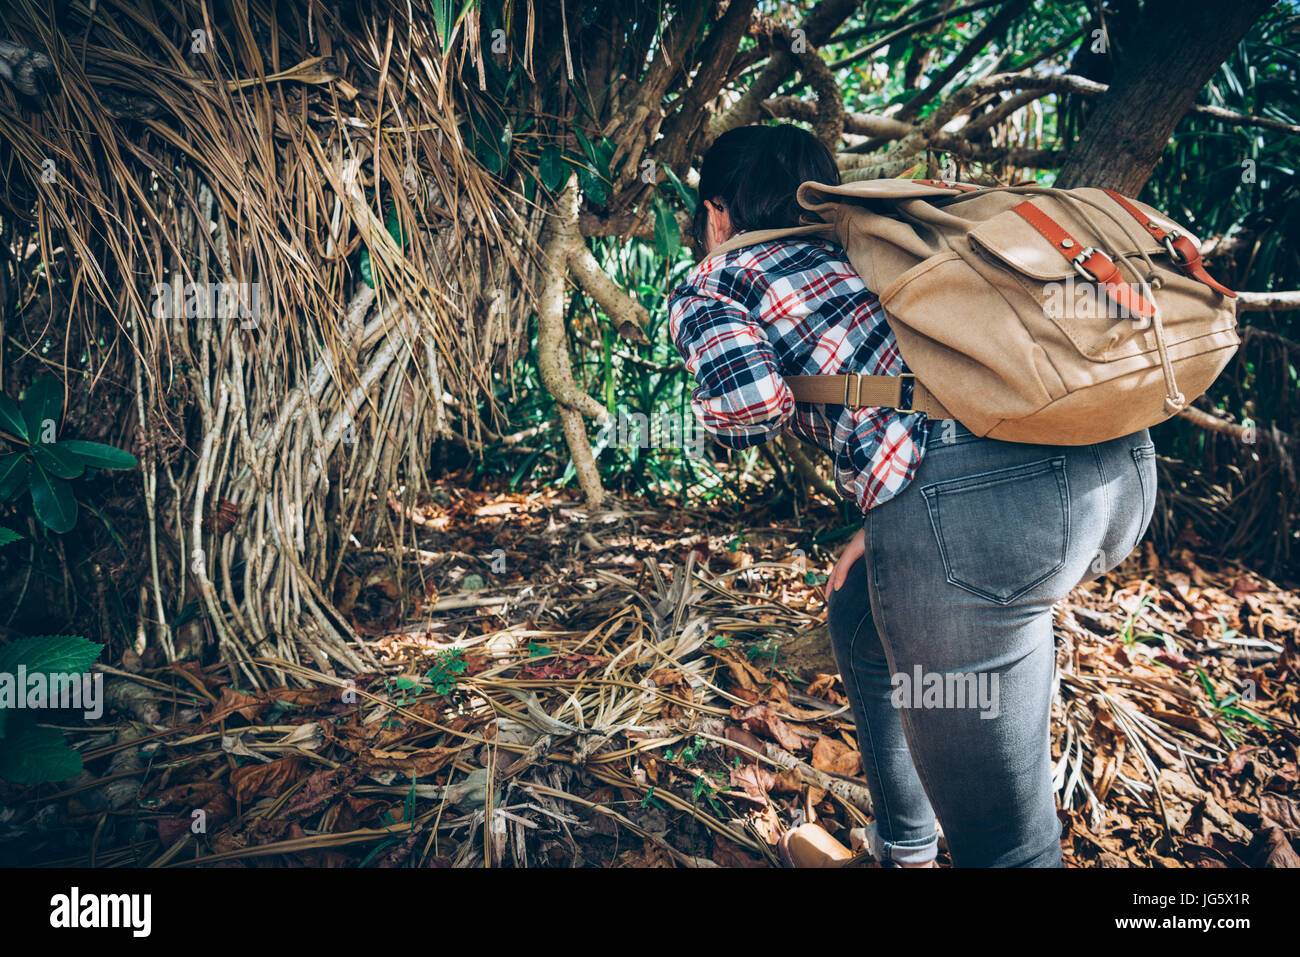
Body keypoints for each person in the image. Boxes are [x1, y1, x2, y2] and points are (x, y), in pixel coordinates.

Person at [667, 124, 1157, 868]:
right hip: (1116, 469)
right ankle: (905, 850)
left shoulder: (719, 276)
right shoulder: (881, 245)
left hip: (988, 518)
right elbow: (925, 377)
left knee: (1007, 850)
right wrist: (897, 511)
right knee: (861, 610)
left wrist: (700, 403)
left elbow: (750, 405)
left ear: (718, 216)